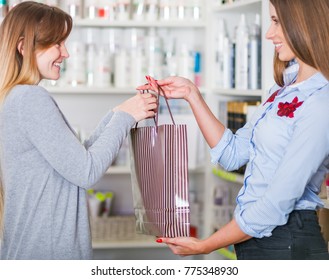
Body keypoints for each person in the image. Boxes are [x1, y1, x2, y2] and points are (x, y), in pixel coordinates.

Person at [138, 0, 329, 260]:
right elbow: (233, 154)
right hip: (259, 241)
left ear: (304, 23)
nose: (268, 34)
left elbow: (276, 203)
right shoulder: (282, 90)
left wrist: (206, 245)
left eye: (276, 22)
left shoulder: (321, 101)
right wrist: (191, 94)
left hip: (287, 243)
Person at [0, 1, 157, 260]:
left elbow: (75, 162)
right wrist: (126, 116)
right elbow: (86, 172)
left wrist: (119, 112)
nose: (66, 53)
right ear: (23, 47)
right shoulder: (30, 98)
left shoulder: (14, 98)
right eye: (57, 43)